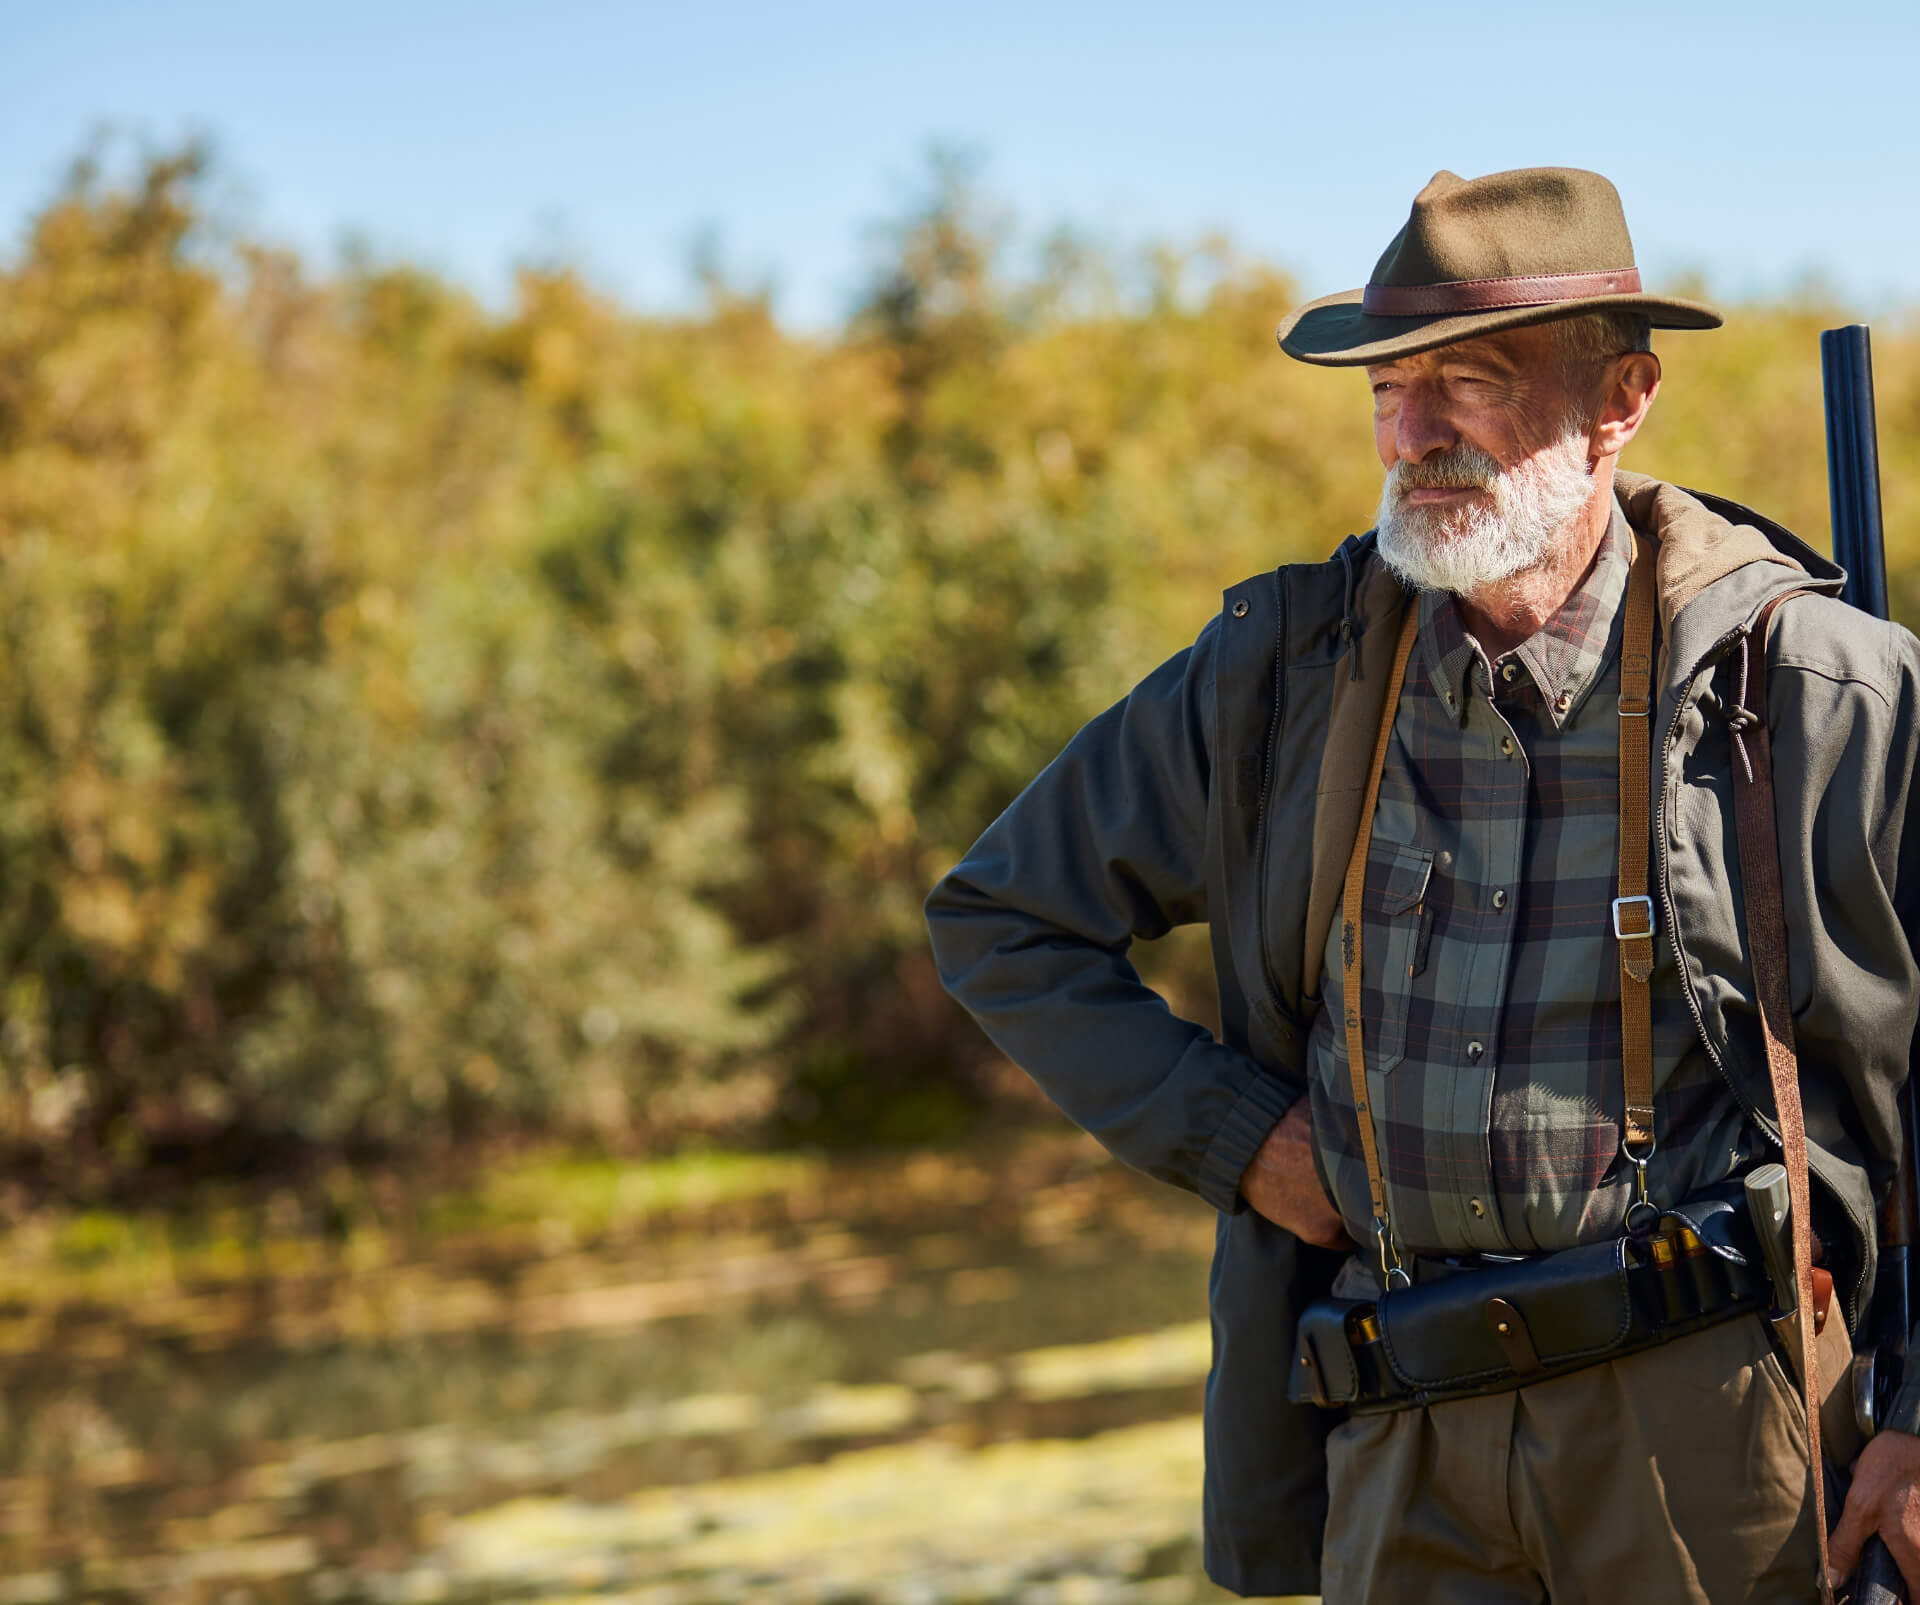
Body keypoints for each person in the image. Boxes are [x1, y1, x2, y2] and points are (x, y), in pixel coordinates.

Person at [924, 167, 1920, 1603]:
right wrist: (1241, 1137)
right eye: (1393, 383)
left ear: (1621, 398)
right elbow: (1001, 916)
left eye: (1474, 376)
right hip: (1398, 1438)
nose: (1415, 427)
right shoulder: (1281, 675)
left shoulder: (1820, 688)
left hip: (1719, 1434)